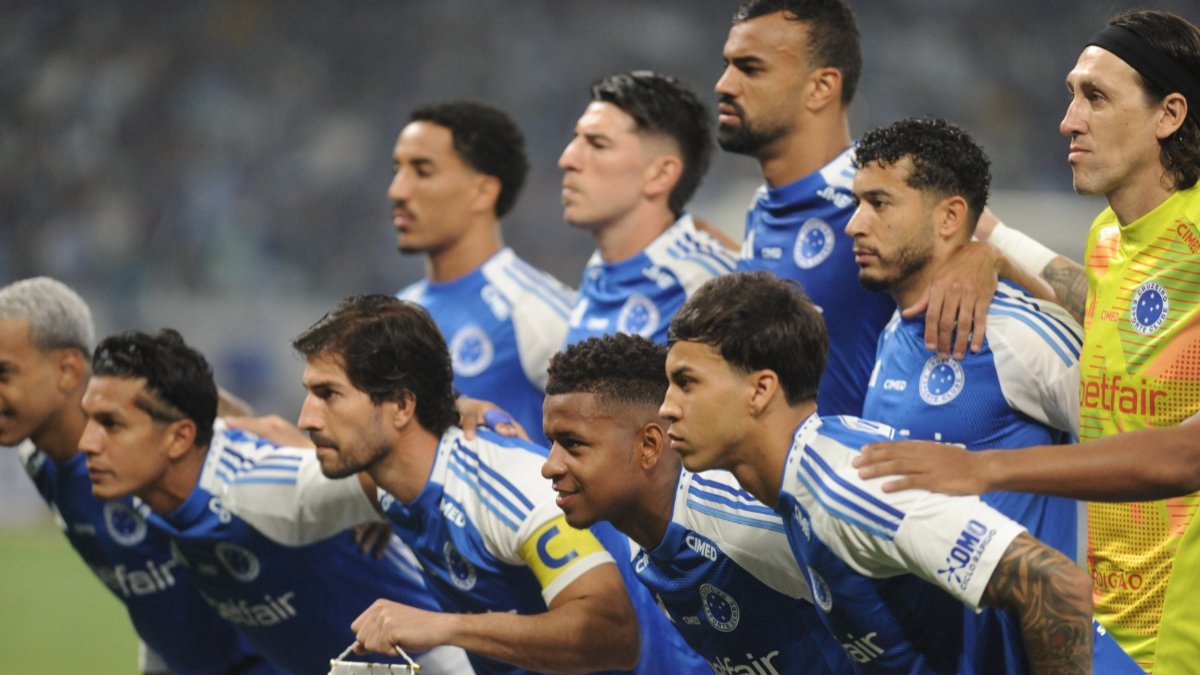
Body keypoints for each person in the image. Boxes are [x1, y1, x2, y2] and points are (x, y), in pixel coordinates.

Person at [865, 10, 1200, 671]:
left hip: (1179, 634)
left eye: (1096, 97)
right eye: (1072, 94)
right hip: (1102, 620)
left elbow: (1190, 452)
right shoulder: (1110, 237)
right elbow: (1107, 305)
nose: (1069, 120)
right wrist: (992, 251)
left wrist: (984, 469)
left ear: (1169, 114)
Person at [659, 271, 1099, 673]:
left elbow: (1055, 586)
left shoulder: (850, 484)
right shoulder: (801, 484)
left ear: (760, 390)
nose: (667, 407)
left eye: (687, 382)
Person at [293, 294, 654, 674]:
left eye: (328, 394)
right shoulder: (389, 483)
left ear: (401, 406)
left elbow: (613, 636)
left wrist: (442, 627)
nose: (306, 418)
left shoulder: (507, 484)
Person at [77, 327, 468, 675]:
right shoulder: (149, 491)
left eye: (111, 424)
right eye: (90, 420)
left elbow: (417, 466)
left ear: (179, 438)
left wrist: (460, 414)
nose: (87, 443)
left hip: (431, 661)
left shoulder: (262, 489)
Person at [0, 277, 278, 675]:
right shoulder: (39, 460)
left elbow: (245, 431)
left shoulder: (154, 456)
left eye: (4, 373)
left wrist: (358, 495)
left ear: (67, 370)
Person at [541, 332, 854, 674]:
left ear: (648, 445)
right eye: (552, 443)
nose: (549, 466)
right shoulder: (639, 539)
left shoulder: (740, 521)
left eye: (572, 444)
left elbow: (891, 589)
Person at [848, 117, 1084, 560]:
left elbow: (1141, 451)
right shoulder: (895, 330)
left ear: (950, 217)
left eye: (879, 204)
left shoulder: (1017, 333)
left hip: (1025, 625)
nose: (855, 225)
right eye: (857, 203)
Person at [715, 0, 894, 416]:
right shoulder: (762, 207)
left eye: (750, 68)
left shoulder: (880, 194)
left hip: (855, 475)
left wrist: (985, 259)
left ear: (821, 87)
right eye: (727, 65)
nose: (724, 84)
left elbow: (978, 251)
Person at [392, 101, 575, 445]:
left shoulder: (535, 309)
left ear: (483, 191)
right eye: (397, 170)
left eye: (422, 171)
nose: (397, 191)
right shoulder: (398, 314)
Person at [559, 70, 736, 346]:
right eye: (576, 139)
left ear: (660, 175)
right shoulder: (600, 268)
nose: (568, 159)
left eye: (597, 144)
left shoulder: (707, 284)